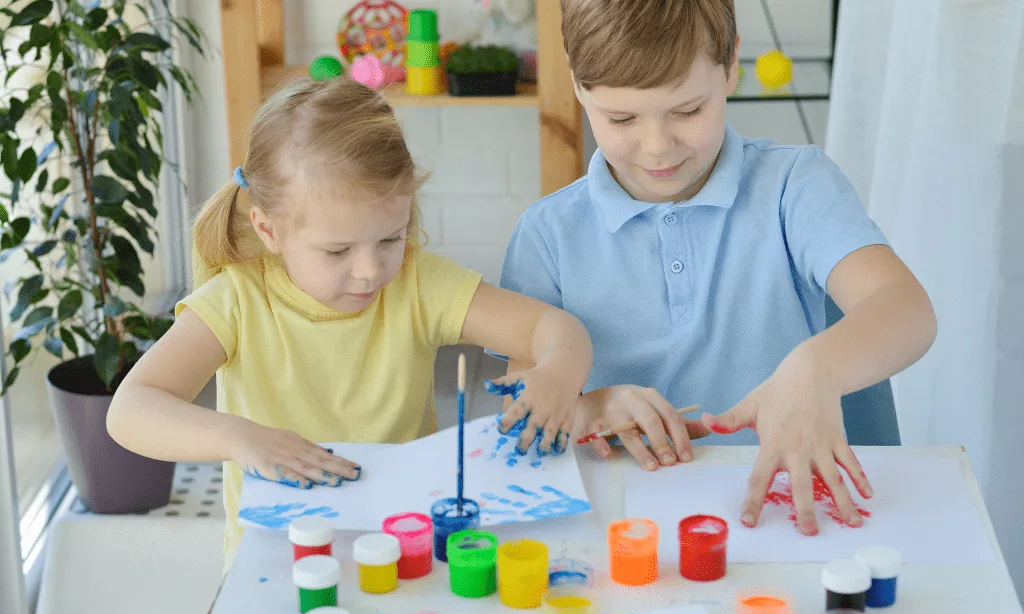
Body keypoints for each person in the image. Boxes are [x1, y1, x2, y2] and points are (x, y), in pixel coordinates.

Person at [106, 76, 593, 572]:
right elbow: (130, 411)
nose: (370, 270)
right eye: (337, 250)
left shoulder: (415, 282)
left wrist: (556, 374)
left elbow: (552, 328)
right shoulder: (236, 301)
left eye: (390, 238)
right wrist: (238, 437)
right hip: (278, 569)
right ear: (267, 229)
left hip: (408, 556)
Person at [499, 0, 937, 535]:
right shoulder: (546, 235)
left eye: (688, 111)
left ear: (731, 65)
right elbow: (523, 405)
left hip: (817, 520)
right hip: (638, 531)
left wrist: (812, 371)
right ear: (577, 85)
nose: (658, 147)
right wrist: (589, 408)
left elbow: (907, 311)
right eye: (622, 119)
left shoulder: (796, 185)